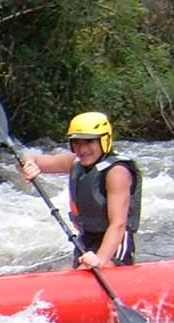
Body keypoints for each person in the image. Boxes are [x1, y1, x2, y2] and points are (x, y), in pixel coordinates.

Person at [20, 112, 140, 268]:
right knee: (67, 273)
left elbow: (118, 224)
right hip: (85, 239)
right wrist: (29, 164)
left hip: (115, 243)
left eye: (89, 142)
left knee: (82, 272)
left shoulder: (117, 172)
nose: (82, 149)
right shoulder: (74, 161)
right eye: (76, 142)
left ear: (104, 141)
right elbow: (29, 159)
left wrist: (100, 260)